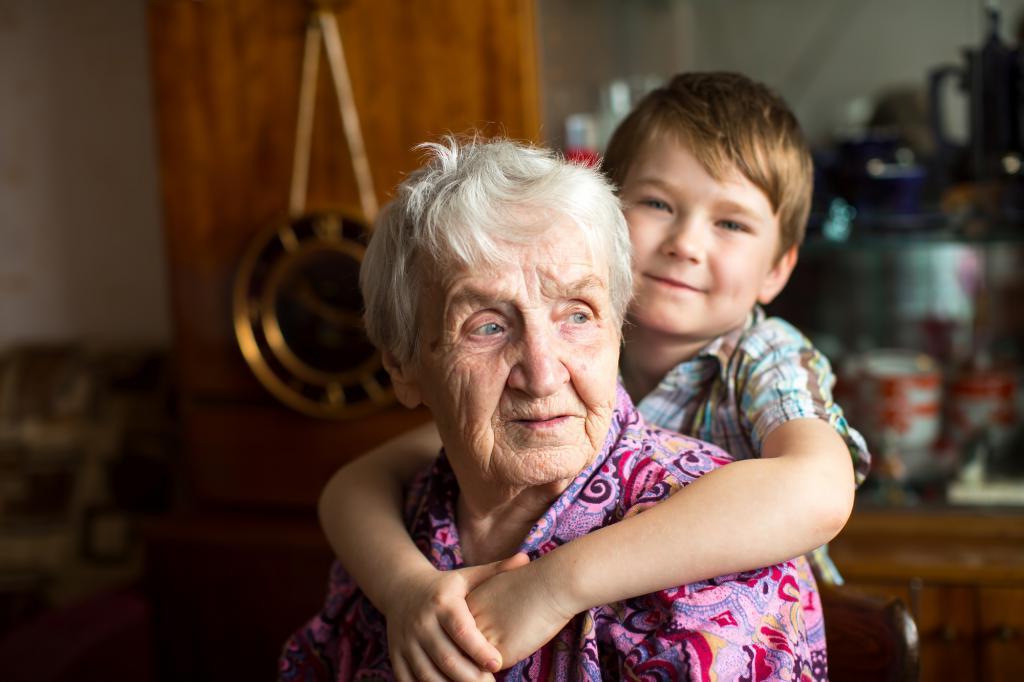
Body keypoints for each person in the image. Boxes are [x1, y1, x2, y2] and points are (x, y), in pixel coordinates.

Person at [317, 73, 871, 679]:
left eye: (731, 224)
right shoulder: (538, 396)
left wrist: (557, 583)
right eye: (658, 204)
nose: (544, 373)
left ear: (778, 269)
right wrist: (403, 588)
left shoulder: (763, 358)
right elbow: (360, 483)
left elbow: (817, 492)